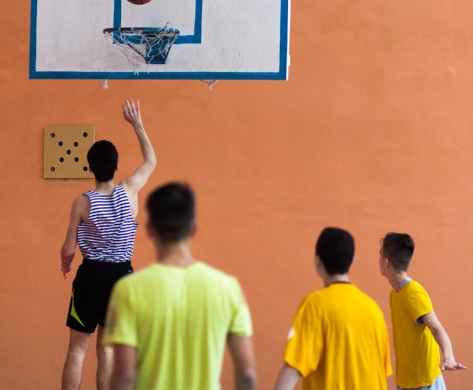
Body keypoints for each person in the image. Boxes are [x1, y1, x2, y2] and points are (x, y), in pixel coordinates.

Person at [103, 182, 256, 390]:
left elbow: (125, 375)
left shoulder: (128, 289)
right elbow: (247, 374)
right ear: (194, 228)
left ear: (149, 230)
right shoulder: (228, 288)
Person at [60, 100, 156, 390]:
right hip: (122, 278)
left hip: (90, 276)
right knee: (108, 349)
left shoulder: (82, 202)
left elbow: (68, 249)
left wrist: (66, 265)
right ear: (117, 166)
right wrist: (137, 124)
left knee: (78, 349)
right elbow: (151, 161)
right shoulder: (129, 191)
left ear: (90, 168)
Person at [274, 227, 392, 390]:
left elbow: (293, 368)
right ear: (352, 260)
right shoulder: (374, 311)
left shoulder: (315, 305)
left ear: (317, 261)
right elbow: (381, 373)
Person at [379, 232, 466, 390]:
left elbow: (437, 328)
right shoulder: (395, 294)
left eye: (380, 255)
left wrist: (449, 358)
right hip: (406, 382)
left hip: (425, 383)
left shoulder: (414, 292)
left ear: (386, 262)